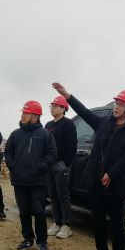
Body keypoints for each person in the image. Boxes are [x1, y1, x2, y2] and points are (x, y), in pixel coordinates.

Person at [52, 82, 125, 250]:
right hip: (95, 183)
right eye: (116, 103)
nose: (116, 106)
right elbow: (83, 112)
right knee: (98, 224)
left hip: (115, 185)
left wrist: (111, 174)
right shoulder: (104, 123)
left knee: (116, 226)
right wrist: (67, 96)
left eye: (121, 104)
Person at [5, 100, 57, 250]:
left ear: (35, 116)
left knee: (39, 211)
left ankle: (42, 241)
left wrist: (39, 168)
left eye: (26, 113)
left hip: (37, 181)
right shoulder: (15, 134)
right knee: (24, 211)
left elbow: (52, 154)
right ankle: (27, 239)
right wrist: (13, 167)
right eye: (23, 112)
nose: (22, 115)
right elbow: (8, 152)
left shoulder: (45, 134)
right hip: (19, 180)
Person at [45, 95, 77, 239]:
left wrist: (65, 164)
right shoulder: (48, 125)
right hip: (49, 165)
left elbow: (72, 146)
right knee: (53, 195)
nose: (52, 108)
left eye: (55, 105)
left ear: (63, 108)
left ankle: (66, 225)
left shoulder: (68, 124)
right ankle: (57, 222)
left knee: (63, 195)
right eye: (51, 106)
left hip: (61, 165)